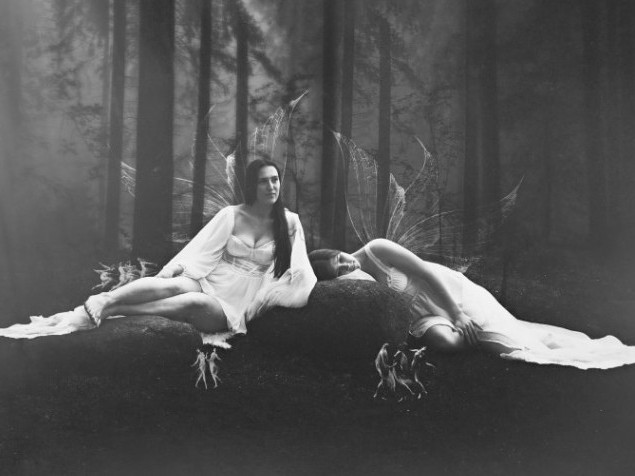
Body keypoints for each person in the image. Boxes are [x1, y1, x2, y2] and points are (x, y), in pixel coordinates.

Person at [1, 159, 316, 339]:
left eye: (275, 180)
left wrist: (275, 295)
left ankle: (114, 310)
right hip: (214, 278)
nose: (271, 187)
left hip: (238, 300)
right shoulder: (232, 215)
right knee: (176, 285)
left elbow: (301, 268)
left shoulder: (290, 222)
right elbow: (200, 250)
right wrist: (173, 270)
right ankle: (106, 299)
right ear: (252, 185)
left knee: (191, 301)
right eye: (264, 181)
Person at [309, 238, 635, 369]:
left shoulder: (376, 250)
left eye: (340, 258)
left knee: (516, 344)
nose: (347, 264)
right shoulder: (357, 285)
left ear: (338, 249)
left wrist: (457, 313)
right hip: (421, 316)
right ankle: (477, 334)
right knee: (449, 343)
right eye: (340, 270)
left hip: (448, 293)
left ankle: (501, 331)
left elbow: (425, 272)